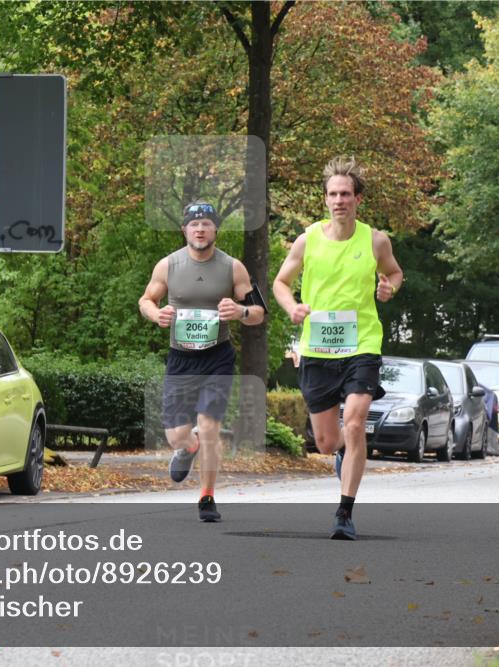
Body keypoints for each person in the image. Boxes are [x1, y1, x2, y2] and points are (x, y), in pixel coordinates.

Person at [273, 157, 403, 540]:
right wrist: (291, 307)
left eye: (346, 193)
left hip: (361, 344)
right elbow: (281, 282)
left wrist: (388, 288)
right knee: (328, 441)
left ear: (358, 199)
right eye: (333, 194)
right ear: (325, 199)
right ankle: (345, 453)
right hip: (318, 348)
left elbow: (394, 272)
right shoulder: (308, 239)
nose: (339, 200)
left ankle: (344, 512)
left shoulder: (375, 240)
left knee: (356, 422)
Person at [138, 201, 265, 522]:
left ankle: (207, 497)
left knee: (209, 427)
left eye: (206, 224)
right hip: (181, 358)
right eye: (194, 224)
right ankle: (188, 448)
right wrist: (157, 314)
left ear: (215, 230)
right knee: (177, 435)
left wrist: (241, 312)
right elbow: (146, 300)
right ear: (184, 230)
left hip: (217, 357)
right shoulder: (168, 265)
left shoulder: (232, 267)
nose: (200, 229)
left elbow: (259, 313)